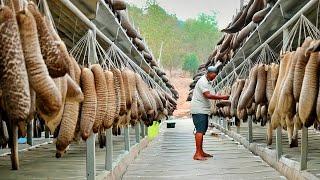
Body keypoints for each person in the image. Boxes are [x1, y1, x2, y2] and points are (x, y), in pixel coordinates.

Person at [190, 65, 228, 161]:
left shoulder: (207, 82)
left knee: (202, 130)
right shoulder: (203, 81)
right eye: (214, 75)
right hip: (199, 110)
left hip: (203, 110)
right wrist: (222, 98)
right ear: (209, 73)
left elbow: (211, 94)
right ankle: (197, 154)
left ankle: (201, 151)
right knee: (199, 130)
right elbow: (207, 95)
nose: (215, 77)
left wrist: (219, 96)